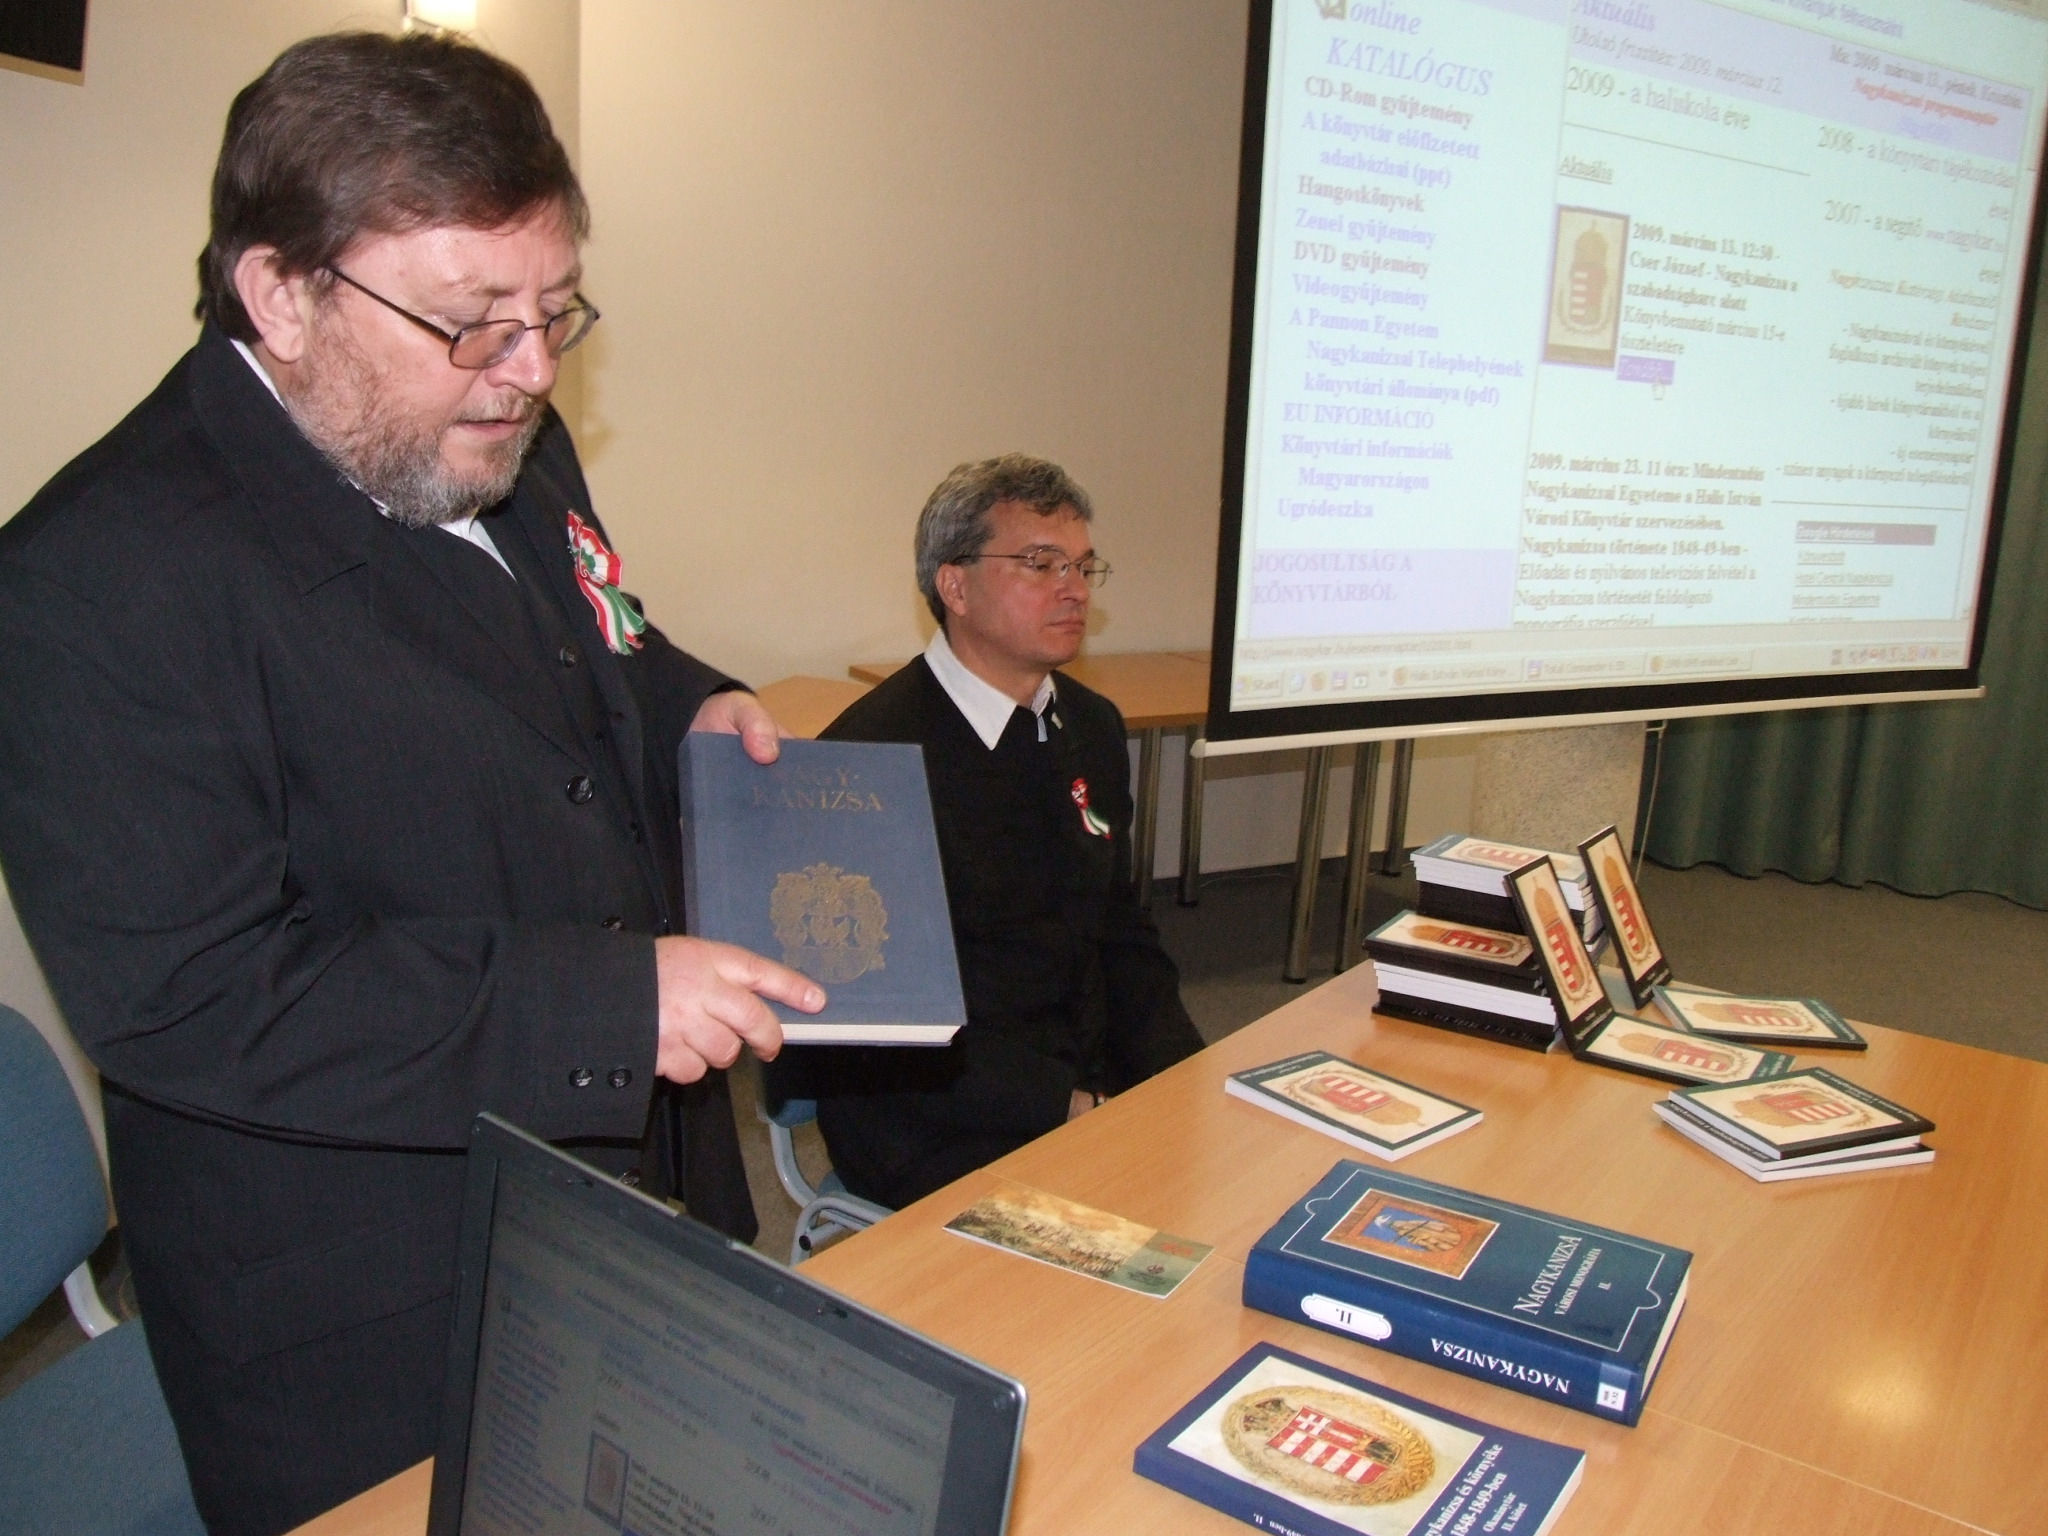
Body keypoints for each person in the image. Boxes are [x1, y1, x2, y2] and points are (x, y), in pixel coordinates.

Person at [0, 33, 823, 1536]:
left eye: (555, 313)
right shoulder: (92, 584)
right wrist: (611, 1005)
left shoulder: (497, 434)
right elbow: (196, 1000)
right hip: (377, 1310)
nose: (532, 370)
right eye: (471, 323)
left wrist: (693, 704)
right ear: (280, 294)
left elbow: (597, 642)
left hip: (628, 1192)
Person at [792, 455, 1203, 1208]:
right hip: (934, 1115)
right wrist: (1065, 1109)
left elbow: (1119, 929)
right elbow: (875, 1022)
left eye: (1083, 565)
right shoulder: (862, 767)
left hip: (1081, 1078)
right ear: (955, 587)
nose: (1074, 588)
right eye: (1041, 564)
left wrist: (1184, 1075)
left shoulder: (1091, 724)